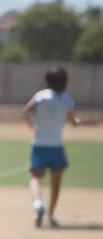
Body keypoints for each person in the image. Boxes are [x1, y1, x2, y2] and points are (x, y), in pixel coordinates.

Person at [24, 65, 78, 228]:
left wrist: (31, 126)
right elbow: (72, 121)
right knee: (56, 184)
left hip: (39, 145)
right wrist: (75, 123)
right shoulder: (66, 99)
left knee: (35, 178)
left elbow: (25, 111)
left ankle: (38, 204)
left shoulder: (40, 97)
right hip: (56, 146)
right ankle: (51, 215)